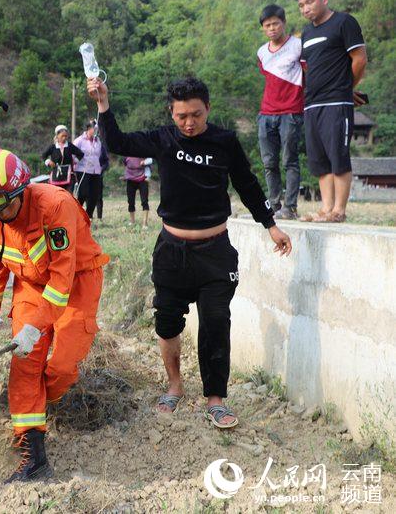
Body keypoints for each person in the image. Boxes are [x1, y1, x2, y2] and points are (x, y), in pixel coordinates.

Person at [88, 76, 292, 429]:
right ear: (172, 113)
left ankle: (215, 398)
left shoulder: (225, 142)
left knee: (216, 321)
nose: (188, 123)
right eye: (181, 116)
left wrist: (270, 225)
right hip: (171, 249)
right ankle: (174, 385)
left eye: (195, 115)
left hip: (215, 250)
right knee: (167, 321)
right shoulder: (163, 139)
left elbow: (247, 184)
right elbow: (118, 141)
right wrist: (103, 103)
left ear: (207, 109)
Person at [0, 147, 109, 482]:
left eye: (0, 203)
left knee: (61, 366)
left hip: (76, 281)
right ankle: (34, 457)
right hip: (32, 285)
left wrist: (33, 329)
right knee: (24, 365)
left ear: (20, 191)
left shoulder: (55, 205)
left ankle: (48, 398)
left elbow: (61, 281)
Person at [297, 0, 367, 223]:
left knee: (338, 155)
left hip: (337, 102)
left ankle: (339, 211)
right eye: (301, 5)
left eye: (310, 2)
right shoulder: (306, 33)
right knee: (319, 159)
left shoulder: (344, 22)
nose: (305, 8)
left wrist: (347, 88)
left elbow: (359, 59)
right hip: (311, 104)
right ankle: (326, 209)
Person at [257, 4, 304, 220]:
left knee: (289, 160)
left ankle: (290, 207)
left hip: (291, 111)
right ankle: (274, 205)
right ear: (263, 29)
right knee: (269, 162)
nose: (272, 28)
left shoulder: (297, 45)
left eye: (276, 23)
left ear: (283, 23)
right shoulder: (261, 52)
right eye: (268, 25)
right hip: (266, 113)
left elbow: (308, 72)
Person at [73, 119, 109, 221]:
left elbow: (100, 156)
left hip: (95, 171)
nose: (97, 131)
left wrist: (102, 168)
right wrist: (76, 161)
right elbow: (72, 154)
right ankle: (77, 214)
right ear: (89, 129)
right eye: (95, 129)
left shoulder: (98, 142)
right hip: (83, 170)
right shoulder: (79, 140)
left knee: (94, 195)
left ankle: (88, 216)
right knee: (83, 193)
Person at [42, 125, 83, 192]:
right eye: (62, 136)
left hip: (69, 175)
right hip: (56, 175)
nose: (64, 138)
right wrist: (48, 162)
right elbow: (43, 156)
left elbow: (80, 154)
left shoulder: (69, 146)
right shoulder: (53, 147)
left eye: (65, 136)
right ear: (57, 136)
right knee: (56, 194)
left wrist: (74, 161)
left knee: (68, 194)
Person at [123, 156, 151, 227]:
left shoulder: (143, 150)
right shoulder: (127, 154)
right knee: (130, 201)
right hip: (131, 179)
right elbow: (125, 163)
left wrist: (144, 162)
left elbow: (150, 160)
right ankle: (132, 221)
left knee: (144, 201)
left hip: (143, 179)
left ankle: (144, 223)